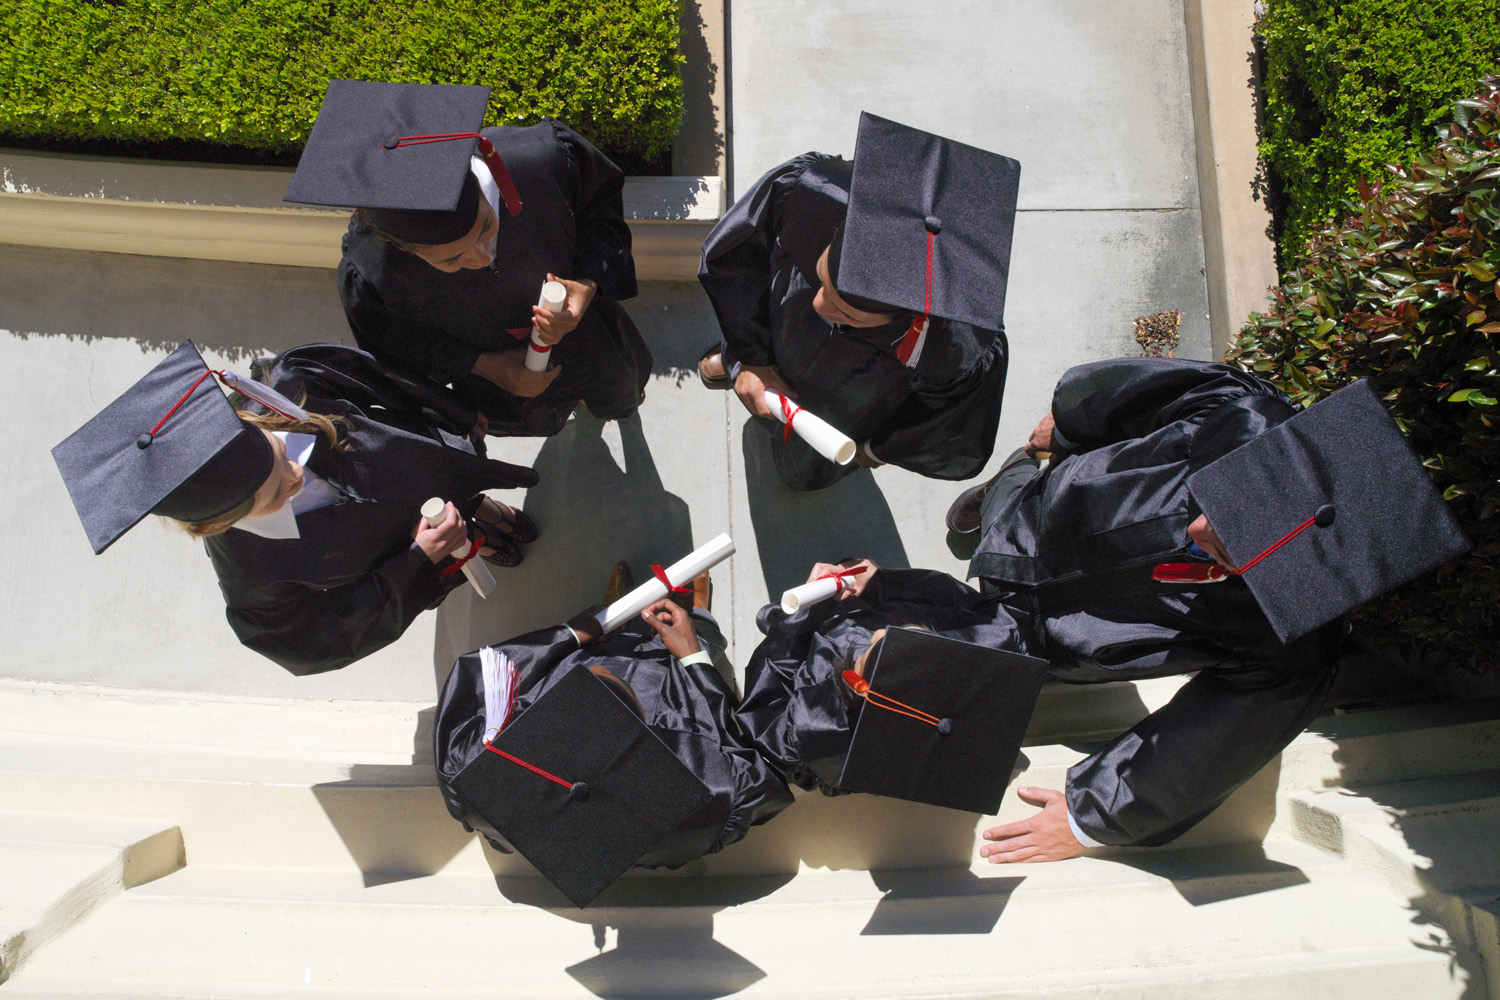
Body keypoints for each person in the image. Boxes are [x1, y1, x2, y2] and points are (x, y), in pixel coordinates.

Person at [945, 357, 1472, 862]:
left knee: (941, 638)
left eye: (1227, 549)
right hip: (1055, 507)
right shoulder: (1237, 413)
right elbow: (1125, 394)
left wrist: (1089, 817)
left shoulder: (1291, 650)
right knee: (1014, 495)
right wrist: (1067, 429)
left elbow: (1204, 747)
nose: (1199, 530)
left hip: (1055, 633)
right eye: (1220, 507)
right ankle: (1006, 483)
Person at [52, 341, 540, 676]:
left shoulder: (292, 386)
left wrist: (453, 414)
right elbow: (313, 642)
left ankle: (481, 507)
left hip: (422, 463)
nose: (295, 477)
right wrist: (416, 560)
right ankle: (477, 539)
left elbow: (386, 380)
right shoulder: (249, 574)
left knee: (458, 488)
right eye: (272, 495)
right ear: (219, 523)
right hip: (402, 545)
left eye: (280, 455)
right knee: (458, 543)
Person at [284, 79, 652, 438]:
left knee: (617, 388)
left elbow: (599, 207)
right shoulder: (374, 274)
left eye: (486, 226)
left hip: (588, 333)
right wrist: (486, 367)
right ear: (399, 248)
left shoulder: (542, 160)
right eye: (451, 260)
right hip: (497, 371)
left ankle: (612, 405)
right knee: (533, 414)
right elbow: (401, 345)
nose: (480, 258)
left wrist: (588, 280)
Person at [434, 564, 793, 907]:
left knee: (588, 647)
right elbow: (738, 741)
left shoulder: (476, 781)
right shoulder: (709, 795)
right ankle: (699, 613)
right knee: (701, 643)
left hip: (561, 701)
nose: (606, 672)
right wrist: (693, 656)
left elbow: (479, 678)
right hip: (673, 699)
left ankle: (610, 620)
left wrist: (569, 635)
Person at [697, 112, 1021, 490]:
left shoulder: (960, 348)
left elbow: (948, 431)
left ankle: (796, 466)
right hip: (783, 327)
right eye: (821, 278)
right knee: (755, 336)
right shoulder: (813, 192)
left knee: (804, 461)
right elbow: (738, 258)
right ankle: (740, 360)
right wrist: (752, 357)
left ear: (913, 319)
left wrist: (877, 449)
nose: (819, 305)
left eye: (845, 311)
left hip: (851, 397)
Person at [736, 558, 1046, 813]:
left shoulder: (809, 731)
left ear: (856, 683)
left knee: (775, 620)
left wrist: (805, 612)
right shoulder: (992, 643)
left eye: (873, 654)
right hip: (869, 601)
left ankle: (781, 617)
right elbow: (951, 594)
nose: (881, 633)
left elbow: (771, 674)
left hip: (814, 638)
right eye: (916, 636)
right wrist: (881, 581)